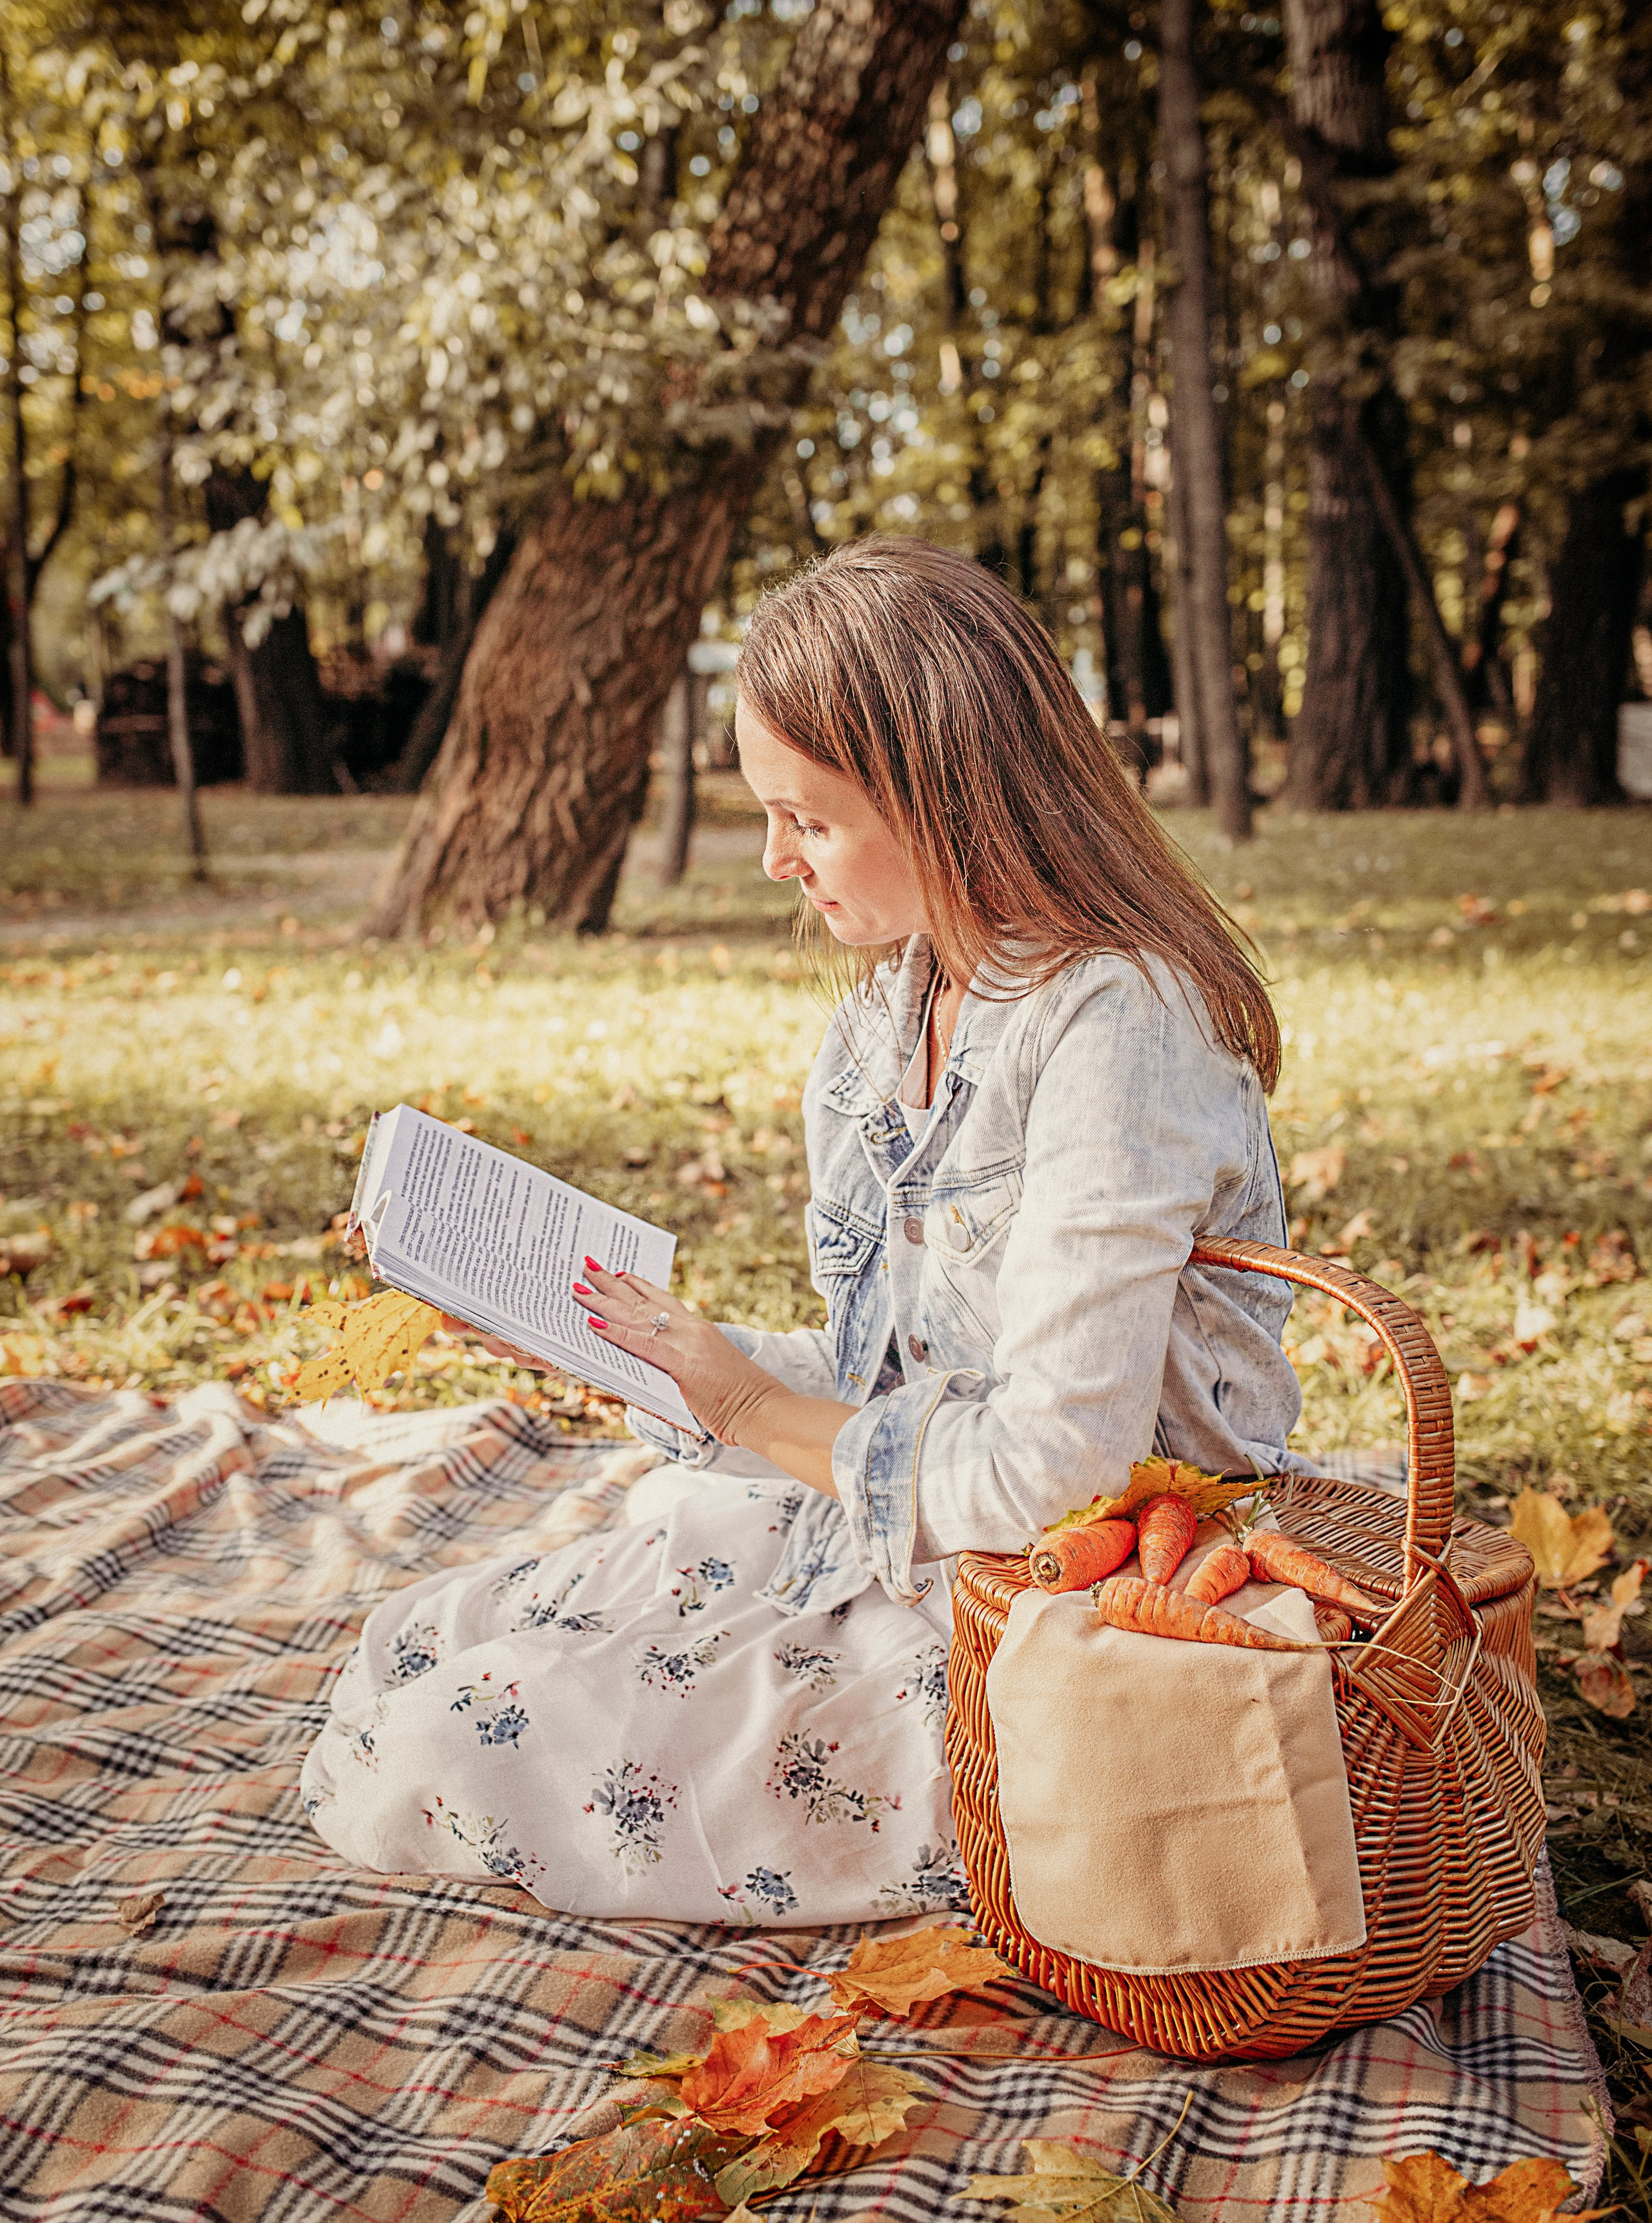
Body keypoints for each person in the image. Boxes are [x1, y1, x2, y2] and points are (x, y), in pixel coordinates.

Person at [300, 539, 1300, 1923]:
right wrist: (620, 1344)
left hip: (1077, 1598)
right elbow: (890, 1376)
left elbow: (1056, 1464)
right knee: (422, 1644)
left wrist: (752, 1403)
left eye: (808, 819)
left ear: (944, 799)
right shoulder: (887, 1014)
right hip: (914, 1539)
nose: (775, 861)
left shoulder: (1115, 1026)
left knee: (463, 1739)